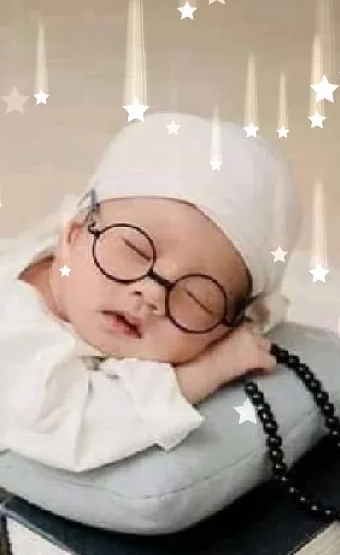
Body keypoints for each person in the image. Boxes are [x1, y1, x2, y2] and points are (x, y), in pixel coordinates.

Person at [0, 111, 301, 471]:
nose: (152, 295)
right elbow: (69, 430)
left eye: (196, 297)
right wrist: (206, 370)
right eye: (134, 251)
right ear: (74, 234)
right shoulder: (15, 331)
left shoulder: (93, 285)